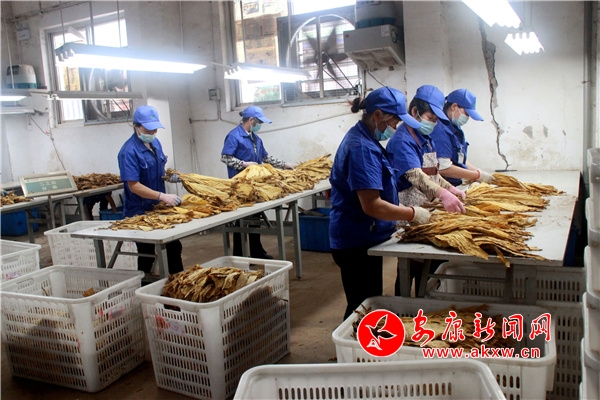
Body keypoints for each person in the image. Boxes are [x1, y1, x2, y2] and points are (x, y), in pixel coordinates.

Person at [329, 86, 431, 320]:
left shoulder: (367, 140)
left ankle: (360, 339)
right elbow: (372, 205)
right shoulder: (362, 148)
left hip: (366, 234)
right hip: (355, 240)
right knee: (362, 306)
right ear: (377, 115)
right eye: (394, 121)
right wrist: (412, 213)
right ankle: (353, 342)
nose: (395, 126)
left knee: (366, 301)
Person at [386, 85, 467, 294]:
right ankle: (403, 305)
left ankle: (425, 300)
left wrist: (451, 189)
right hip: (410, 213)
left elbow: (433, 173)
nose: (433, 123)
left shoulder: (426, 139)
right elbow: (415, 175)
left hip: (426, 209)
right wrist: (443, 194)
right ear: (415, 112)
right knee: (409, 267)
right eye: (431, 117)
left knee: (428, 265)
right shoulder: (402, 139)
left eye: (436, 119)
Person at [221, 105, 294, 259]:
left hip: (256, 186)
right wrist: (243, 164)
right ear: (251, 120)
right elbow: (225, 157)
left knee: (255, 218)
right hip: (240, 186)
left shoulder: (256, 139)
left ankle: (256, 251)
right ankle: (239, 256)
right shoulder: (234, 136)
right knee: (241, 222)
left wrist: (283, 164)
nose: (260, 125)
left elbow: (265, 158)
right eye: (259, 122)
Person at [117, 105, 184, 275]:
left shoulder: (155, 144)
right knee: (146, 254)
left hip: (158, 209)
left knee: (173, 247)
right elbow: (133, 185)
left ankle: (177, 284)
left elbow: (157, 170)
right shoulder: (128, 152)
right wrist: (162, 196)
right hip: (139, 212)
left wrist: (169, 176)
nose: (152, 132)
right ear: (136, 126)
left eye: (155, 129)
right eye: (148, 129)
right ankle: (145, 285)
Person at [430, 89, 495, 186]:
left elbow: (459, 158)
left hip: (454, 184)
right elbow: (443, 167)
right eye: (466, 114)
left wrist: (477, 172)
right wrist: (476, 175)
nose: (467, 118)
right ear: (454, 107)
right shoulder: (440, 129)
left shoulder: (454, 126)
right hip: (443, 186)